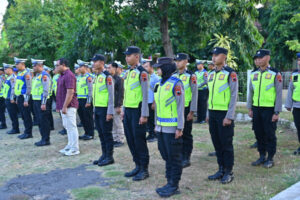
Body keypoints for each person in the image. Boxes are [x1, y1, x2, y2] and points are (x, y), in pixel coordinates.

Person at [153, 57, 185, 197]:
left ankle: (174, 185)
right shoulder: (159, 84)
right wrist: (156, 125)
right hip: (161, 127)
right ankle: (169, 182)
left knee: (174, 157)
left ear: (166, 68)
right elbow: (157, 107)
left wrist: (180, 128)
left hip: (172, 128)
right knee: (166, 155)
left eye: (159, 67)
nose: (157, 69)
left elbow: (180, 107)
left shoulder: (176, 84)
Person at [207, 47, 238, 184]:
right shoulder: (211, 74)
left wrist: (229, 116)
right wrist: (208, 113)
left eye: (216, 55)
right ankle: (220, 169)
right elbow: (210, 95)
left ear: (224, 56)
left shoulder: (230, 74)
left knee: (226, 144)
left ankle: (228, 171)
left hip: (224, 114)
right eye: (213, 55)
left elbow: (233, 95)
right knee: (217, 143)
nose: (214, 57)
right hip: (213, 113)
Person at [247, 49, 282, 168]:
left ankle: (270, 158)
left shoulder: (275, 73)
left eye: (261, 57)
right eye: (256, 58)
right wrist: (250, 108)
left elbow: (278, 94)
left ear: (268, 58)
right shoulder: (254, 74)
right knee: (258, 133)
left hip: (269, 109)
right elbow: (250, 92)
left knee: (269, 134)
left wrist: (276, 111)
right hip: (256, 108)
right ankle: (262, 156)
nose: (258, 60)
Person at [123, 46, 150, 181]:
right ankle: (137, 165)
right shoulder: (128, 72)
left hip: (138, 110)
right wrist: (123, 109)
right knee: (130, 138)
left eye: (129, 55)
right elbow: (125, 93)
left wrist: (144, 114)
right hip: (128, 110)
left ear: (137, 56)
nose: (127, 58)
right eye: (126, 56)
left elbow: (145, 95)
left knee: (139, 140)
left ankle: (144, 168)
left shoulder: (142, 72)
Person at [173, 53, 198, 168]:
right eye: (176, 61)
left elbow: (194, 94)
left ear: (186, 62)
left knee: (186, 134)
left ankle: (186, 157)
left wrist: (192, 111)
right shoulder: (173, 75)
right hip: (175, 109)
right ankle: (178, 155)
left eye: (180, 61)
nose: (177, 63)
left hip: (186, 108)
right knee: (176, 133)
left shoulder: (191, 76)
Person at [91, 54, 115, 166]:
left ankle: (109, 156)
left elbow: (111, 95)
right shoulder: (97, 76)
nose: (93, 64)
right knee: (100, 133)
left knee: (107, 134)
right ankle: (104, 154)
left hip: (105, 109)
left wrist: (110, 111)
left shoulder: (107, 76)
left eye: (95, 61)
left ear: (101, 62)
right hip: (98, 109)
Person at [55, 58, 80, 156]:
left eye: (57, 65)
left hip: (69, 106)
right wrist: (59, 106)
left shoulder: (69, 75)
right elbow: (60, 93)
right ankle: (70, 145)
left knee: (72, 126)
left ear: (63, 65)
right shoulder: (61, 76)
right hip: (63, 106)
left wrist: (64, 106)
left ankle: (75, 148)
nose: (56, 67)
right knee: (67, 126)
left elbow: (70, 92)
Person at [31, 59, 52, 146]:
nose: (33, 67)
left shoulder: (44, 76)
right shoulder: (37, 76)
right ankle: (43, 138)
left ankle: (46, 139)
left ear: (40, 65)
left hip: (42, 101)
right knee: (40, 120)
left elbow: (45, 90)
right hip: (36, 100)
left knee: (44, 121)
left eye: (34, 65)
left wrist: (43, 103)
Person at [14, 57, 33, 139]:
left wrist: (26, 99)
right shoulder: (19, 73)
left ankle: (29, 133)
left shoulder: (27, 73)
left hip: (25, 97)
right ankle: (26, 131)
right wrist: (17, 98)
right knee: (23, 115)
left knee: (27, 115)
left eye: (17, 64)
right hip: (20, 97)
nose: (16, 66)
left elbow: (29, 87)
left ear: (22, 64)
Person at [285, 52, 300, 155]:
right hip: (297, 106)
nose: (299, 62)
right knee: (299, 127)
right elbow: (290, 89)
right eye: (299, 60)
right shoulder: (294, 75)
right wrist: (288, 104)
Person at [107, 62, 125, 147]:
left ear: (115, 68)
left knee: (118, 123)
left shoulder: (119, 79)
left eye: (109, 68)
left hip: (116, 104)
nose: (108, 69)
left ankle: (120, 139)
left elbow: (121, 93)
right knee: (113, 124)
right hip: (111, 105)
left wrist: (119, 105)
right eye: (107, 68)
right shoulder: (108, 78)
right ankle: (114, 138)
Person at [76, 59, 94, 140]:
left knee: (88, 117)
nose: (79, 68)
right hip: (79, 99)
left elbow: (90, 90)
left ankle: (90, 133)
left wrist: (89, 101)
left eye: (81, 67)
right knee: (82, 117)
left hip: (86, 100)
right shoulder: (79, 77)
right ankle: (86, 132)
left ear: (85, 67)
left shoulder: (88, 77)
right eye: (79, 67)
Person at [143, 60, 160, 142]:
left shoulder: (156, 78)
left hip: (152, 101)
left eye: (146, 66)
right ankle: (150, 133)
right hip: (146, 101)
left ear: (151, 67)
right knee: (148, 119)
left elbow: (156, 92)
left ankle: (154, 135)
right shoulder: (145, 77)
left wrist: (154, 102)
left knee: (153, 119)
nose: (144, 68)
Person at [3, 63, 20, 134]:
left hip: (10, 99)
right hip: (7, 98)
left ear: (10, 69)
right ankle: (14, 128)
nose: (4, 70)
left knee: (13, 114)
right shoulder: (9, 77)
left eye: (6, 69)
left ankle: (15, 129)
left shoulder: (13, 77)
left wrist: (12, 98)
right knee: (11, 114)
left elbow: (13, 88)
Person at [195, 59, 208, 124]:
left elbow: (206, 81)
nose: (197, 66)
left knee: (203, 105)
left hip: (203, 90)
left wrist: (199, 85)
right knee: (198, 105)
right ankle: (198, 119)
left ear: (202, 65)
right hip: (197, 90)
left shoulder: (205, 72)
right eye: (197, 65)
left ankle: (203, 119)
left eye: (199, 64)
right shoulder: (196, 72)